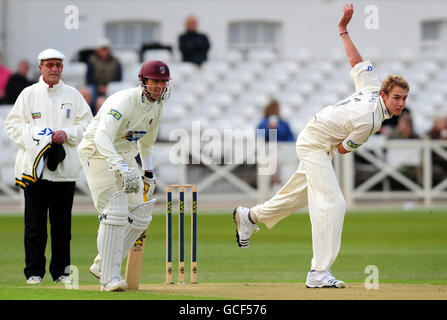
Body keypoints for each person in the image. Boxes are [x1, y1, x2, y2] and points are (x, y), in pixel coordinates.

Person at [233, 3, 409, 288]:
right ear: (386, 95)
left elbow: (356, 62)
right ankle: (318, 272)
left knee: (299, 196)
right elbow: (342, 150)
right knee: (333, 203)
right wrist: (333, 143)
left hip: (317, 138)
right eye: (397, 98)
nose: (400, 103)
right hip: (316, 143)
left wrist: (343, 30)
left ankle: (249, 216)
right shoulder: (371, 121)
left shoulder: (373, 86)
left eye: (404, 99)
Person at [77, 60, 171, 291]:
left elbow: (146, 144)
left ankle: (102, 264)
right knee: (113, 214)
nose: (159, 86)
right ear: (144, 81)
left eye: (163, 82)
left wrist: (147, 171)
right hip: (97, 153)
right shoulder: (123, 101)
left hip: (125, 155)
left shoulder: (156, 107)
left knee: (140, 215)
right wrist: (119, 165)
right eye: (155, 81)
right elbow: (101, 137)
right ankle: (109, 279)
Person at [4, 49, 93, 284]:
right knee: (34, 225)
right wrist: (42, 137)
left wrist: (69, 134)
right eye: (50, 65)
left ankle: (62, 272)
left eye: (58, 65)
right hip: (34, 170)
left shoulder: (73, 94)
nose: (54, 69)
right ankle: (34, 272)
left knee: (62, 226)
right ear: (40, 67)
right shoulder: (28, 94)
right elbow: (12, 126)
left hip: (65, 171)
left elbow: (88, 125)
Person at [86, 38, 122, 106]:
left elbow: (119, 77)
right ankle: (93, 112)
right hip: (96, 86)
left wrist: (108, 87)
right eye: (103, 48)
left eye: (106, 48)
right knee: (91, 93)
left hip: (111, 86)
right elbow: (89, 78)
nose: (104, 51)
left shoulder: (115, 61)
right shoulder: (92, 60)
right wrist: (98, 87)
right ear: (98, 50)